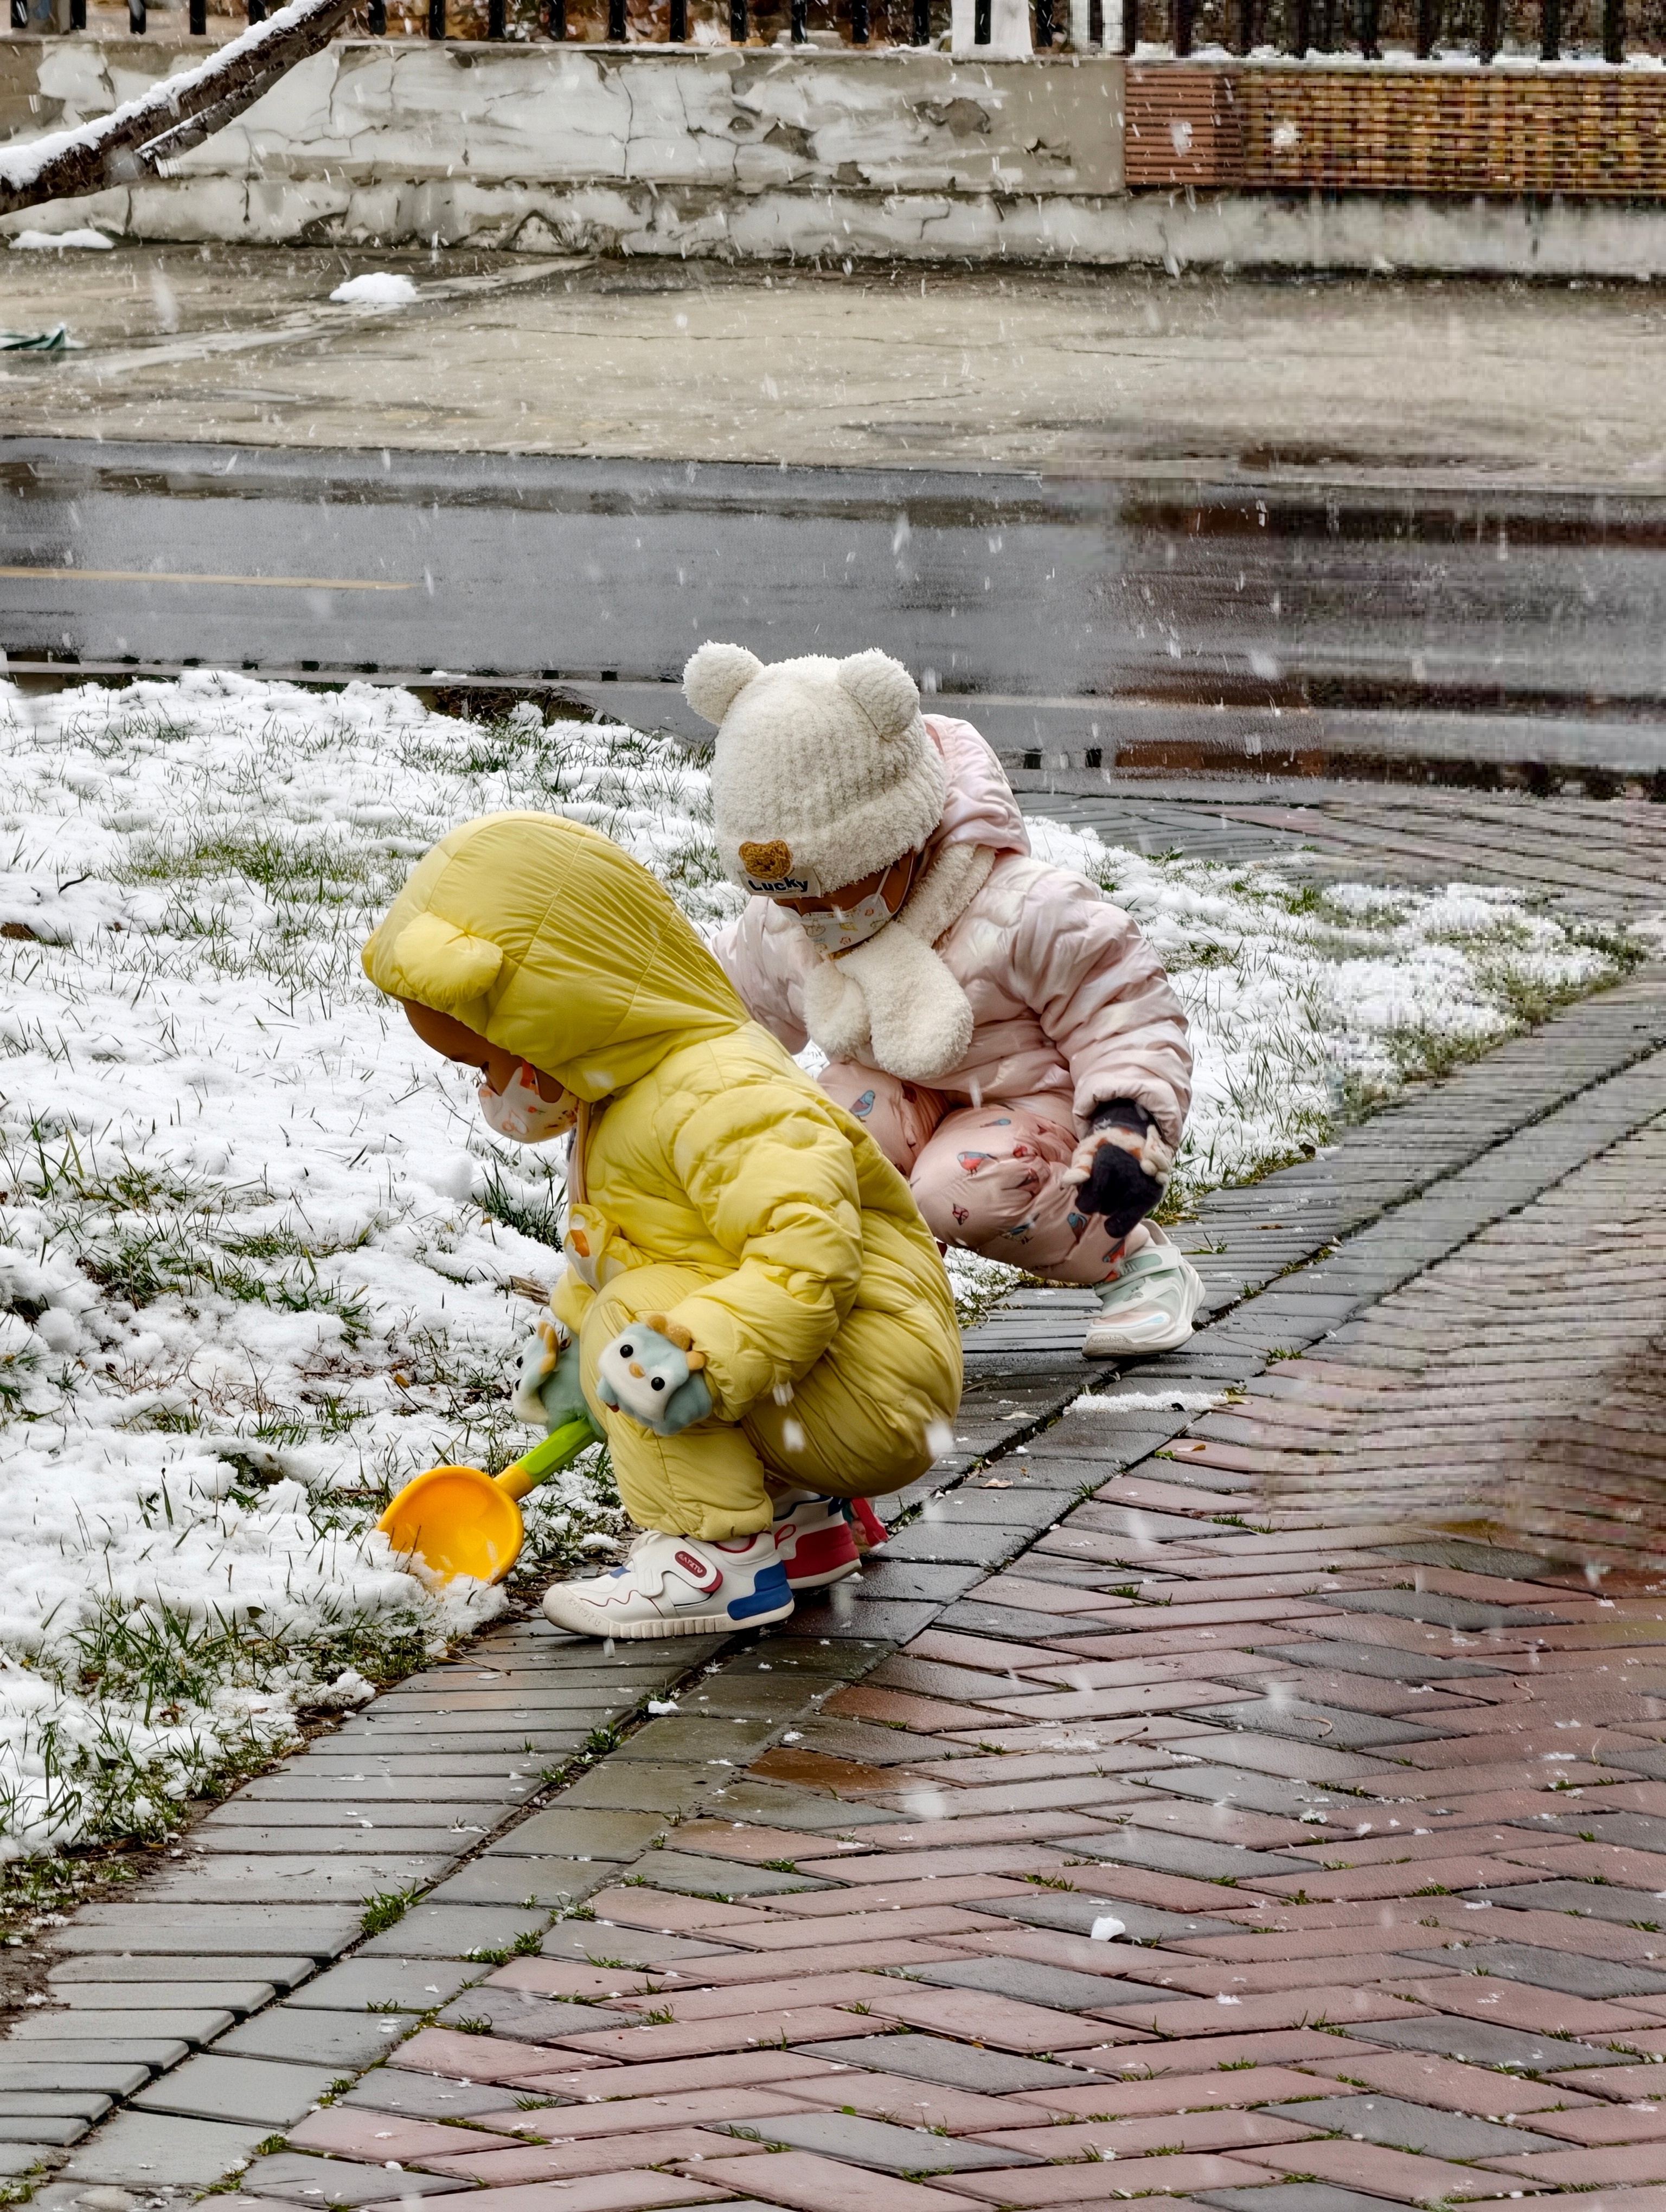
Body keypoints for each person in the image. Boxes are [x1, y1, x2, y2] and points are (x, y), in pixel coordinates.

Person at [361, 809, 960, 1638]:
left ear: (551, 1017)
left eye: (486, 1062)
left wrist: (689, 1352)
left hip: (877, 1389)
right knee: (630, 1317)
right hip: (833, 1382)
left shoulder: (720, 1092)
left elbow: (808, 1258)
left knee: (637, 1331)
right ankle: (800, 1526)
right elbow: (633, 1250)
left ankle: (716, 1560)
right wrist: (573, 1359)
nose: (490, 1090)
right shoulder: (633, 1093)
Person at [695, 643, 1199, 1361]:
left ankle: (1135, 1260)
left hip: (1033, 1107)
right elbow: (720, 1005)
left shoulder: (1021, 908)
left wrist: (1127, 1123)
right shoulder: (791, 924)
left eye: (836, 896)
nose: (819, 922)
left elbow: (1121, 1006)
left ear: (901, 843)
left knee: (955, 1189)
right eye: (796, 904)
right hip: (896, 1091)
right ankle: (888, 1291)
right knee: (821, 1145)